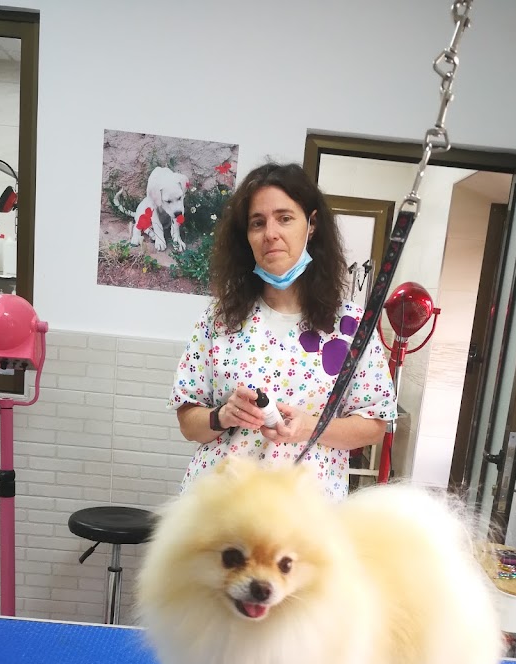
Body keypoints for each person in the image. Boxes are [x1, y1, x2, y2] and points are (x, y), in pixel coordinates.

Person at [169, 162, 396, 500]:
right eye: (257, 223)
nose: (270, 233)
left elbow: (374, 426)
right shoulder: (219, 320)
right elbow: (189, 423)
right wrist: (222, 415)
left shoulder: (352, 327)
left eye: (285, 218)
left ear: (312, 224)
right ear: (246, 237)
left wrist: (312, 428)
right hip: (221, 508)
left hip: (305, 512)